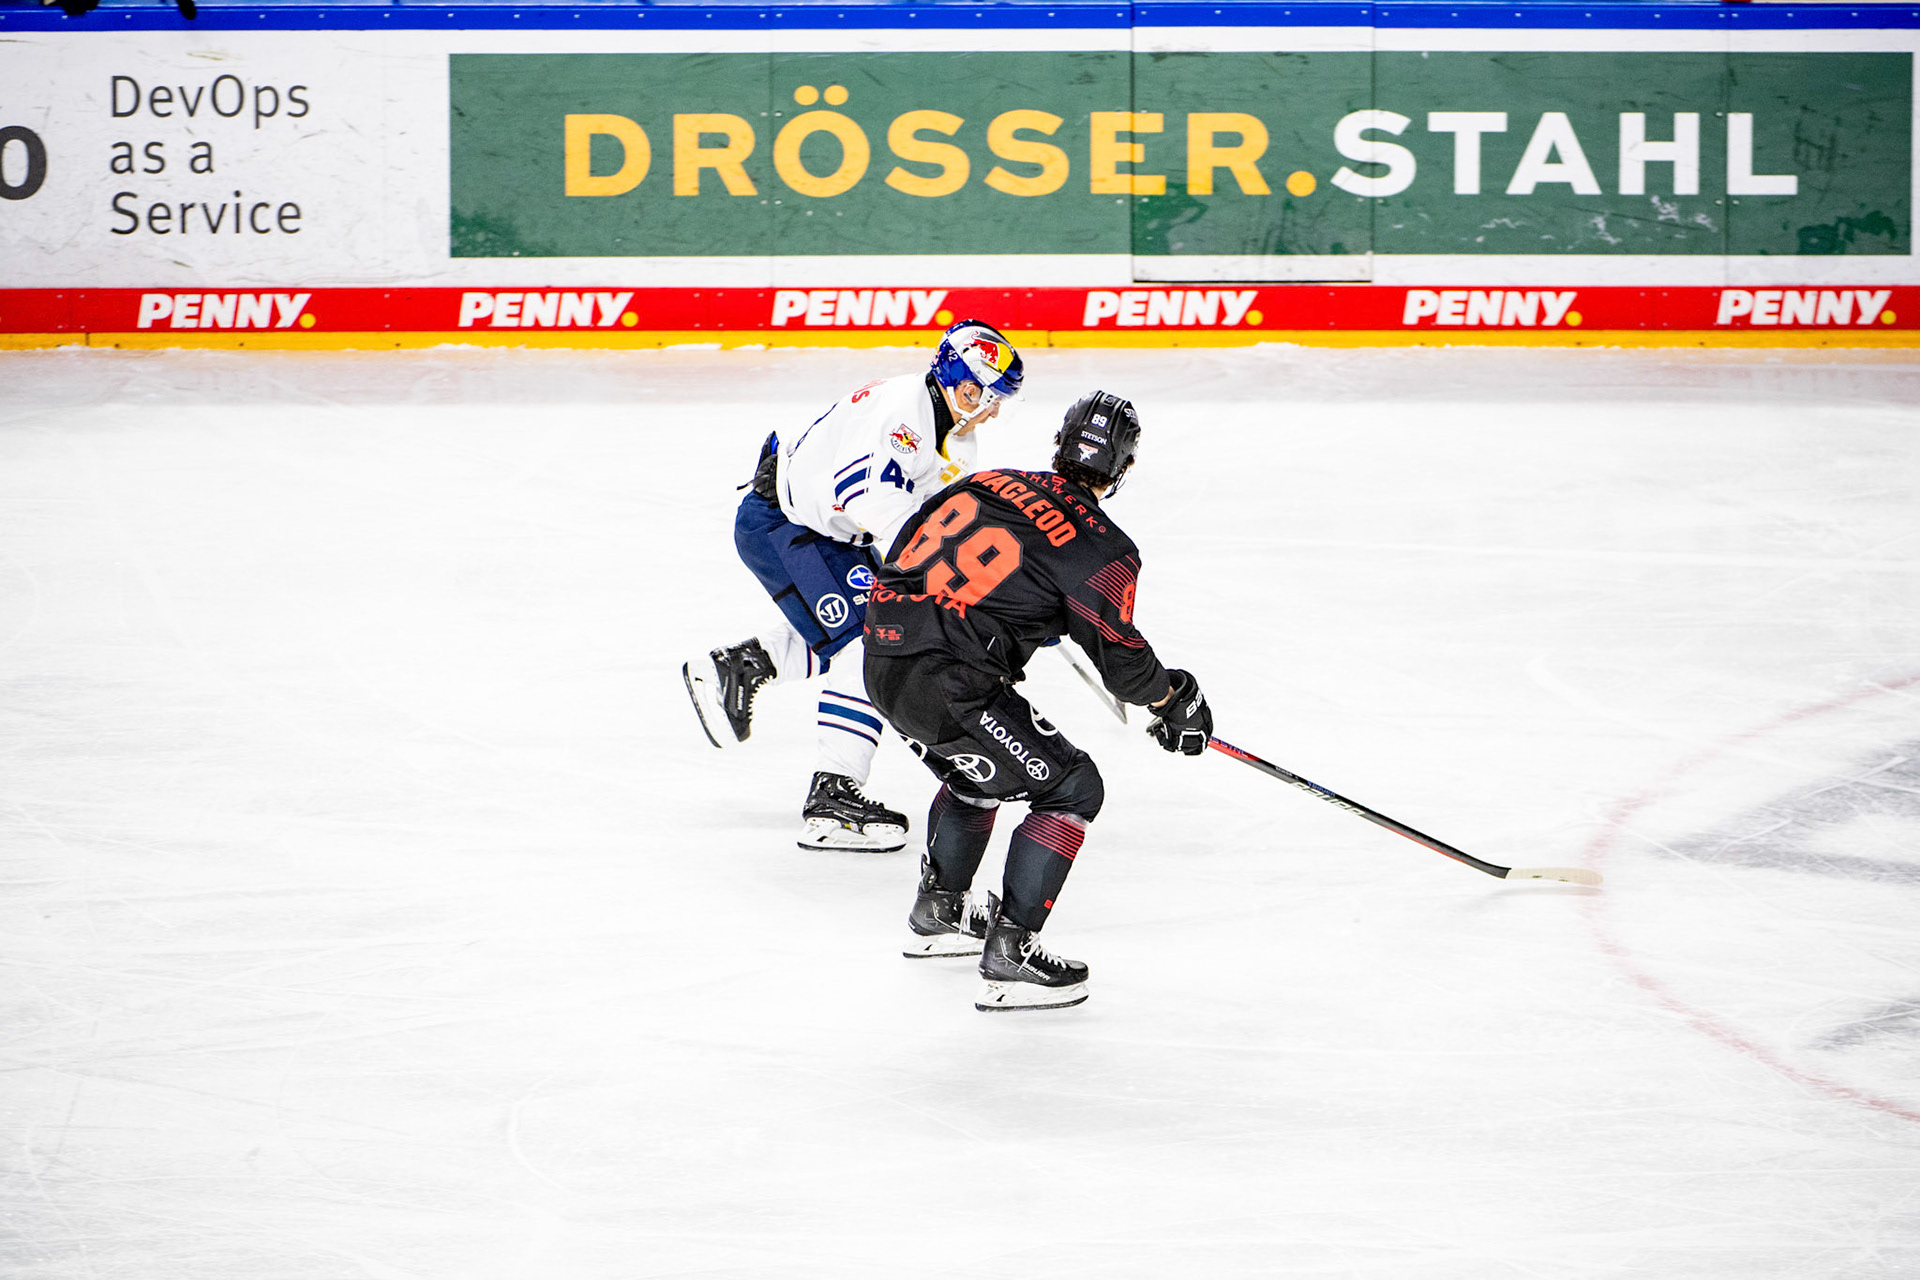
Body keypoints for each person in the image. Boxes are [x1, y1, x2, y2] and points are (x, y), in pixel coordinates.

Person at [862, 390, 1212, 1011]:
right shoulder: (1103, 547)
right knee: (1075, 787)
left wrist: (1021, 610)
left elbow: (910, 550)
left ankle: (939, 911)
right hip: (953, 684)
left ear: (1059, 443)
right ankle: (1012, 953)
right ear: (1123, 469)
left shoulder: (989, 480)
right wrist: (1172, 697)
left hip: (884, 658)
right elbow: (1122, 663)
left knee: (982, 772)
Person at [683, 320, 1026, 852]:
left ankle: (740, 666)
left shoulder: (957, 435)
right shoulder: (900, 418)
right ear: (958, 379)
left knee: (871, 625)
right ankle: (832, 797)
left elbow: (939, 522)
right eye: (984, 393)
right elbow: (873, 503)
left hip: (829, 535)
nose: (994, 408)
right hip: (786, 528)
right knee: (874, 642)